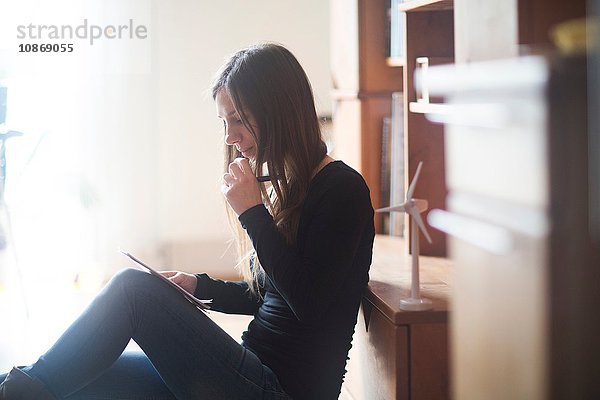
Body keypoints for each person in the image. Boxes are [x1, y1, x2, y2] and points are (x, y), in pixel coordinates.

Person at [0, 43, 375, 400]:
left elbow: (308, 304)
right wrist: (197, 285)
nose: (230, 136)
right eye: (224, 122)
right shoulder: (292, 186)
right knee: (71, 374)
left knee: (132, 291)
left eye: (239, 119)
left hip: (276, 390)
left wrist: (253, 213)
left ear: (278, 110)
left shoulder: (342, 189)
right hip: (247, 373)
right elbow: (271, 296)